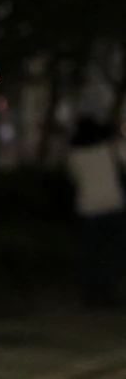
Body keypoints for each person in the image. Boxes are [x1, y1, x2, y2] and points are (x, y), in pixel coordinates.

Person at [67, 115, 126, 307]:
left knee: (91, 254)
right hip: (113, 205)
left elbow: (74, 180)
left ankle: (91, 293)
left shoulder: (74, 156)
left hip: (88, 209)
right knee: (113, 252)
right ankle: (109, 290)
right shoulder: (111, 149)